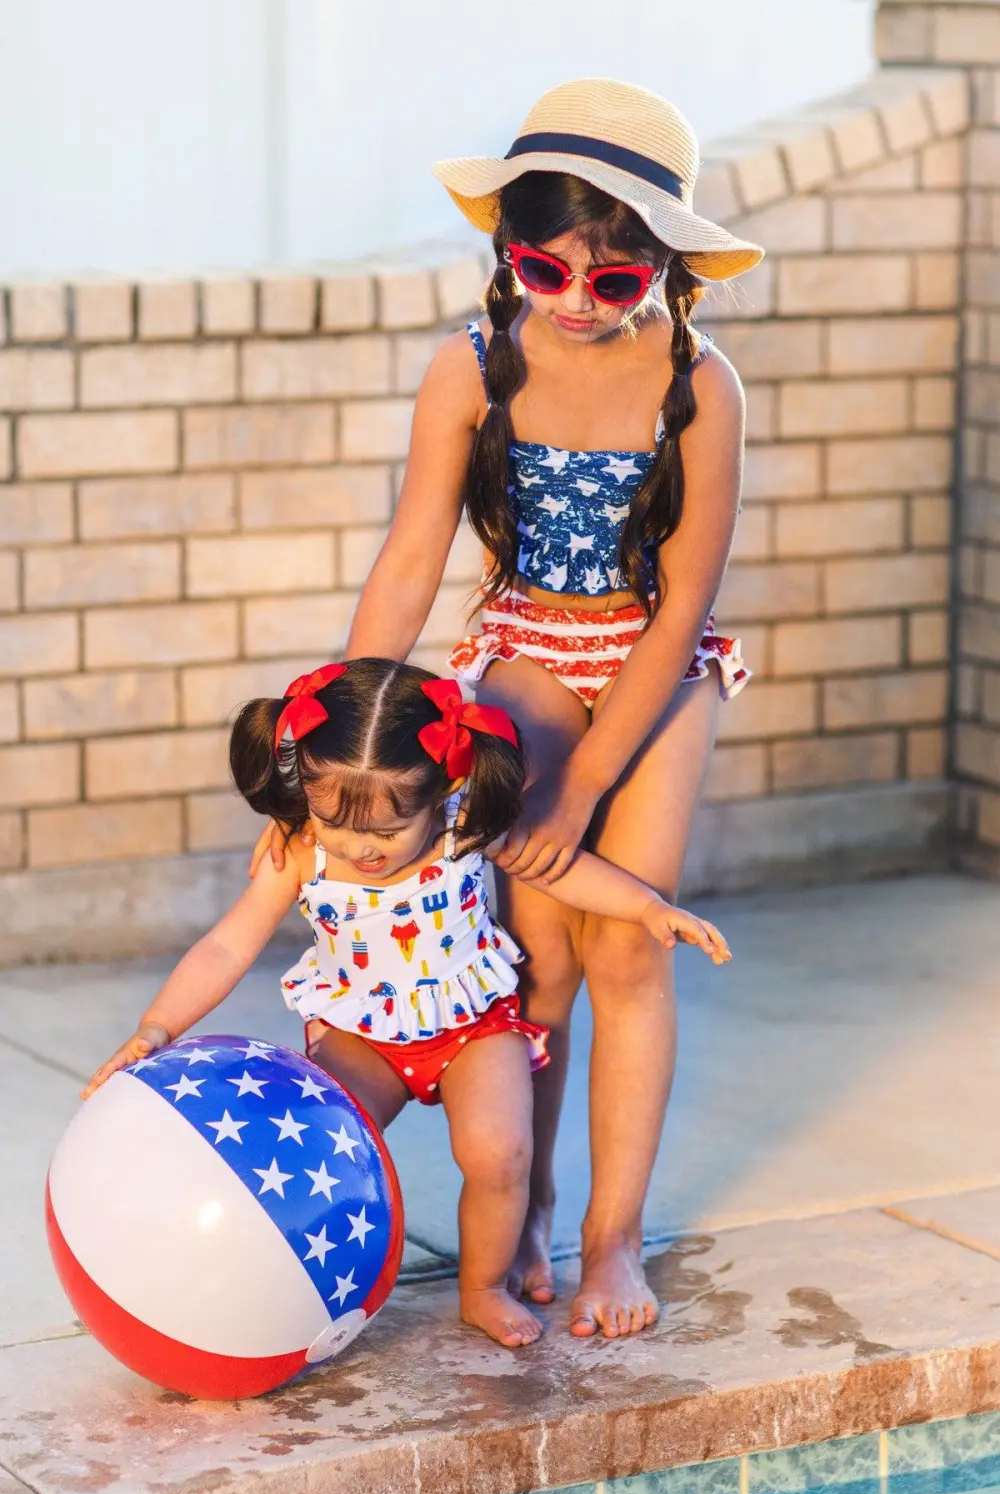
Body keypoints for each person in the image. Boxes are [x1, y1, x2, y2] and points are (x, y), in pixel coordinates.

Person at [254, 77, 760, 1340]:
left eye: (615, 280)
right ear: (505, 254)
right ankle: (525, 1212)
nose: (580, 304)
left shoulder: (703, 388)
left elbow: (684, 598)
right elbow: (413, 554)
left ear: (665, 272)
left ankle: (611, 1241)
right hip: (531, 645)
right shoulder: (472, 365)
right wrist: (334, 740)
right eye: (547, 269)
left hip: (658, 662)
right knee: (533, 968)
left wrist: (586, 787)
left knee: (625, 944)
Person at [85, 660, 731, 1349]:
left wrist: (647, 906)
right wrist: (157, 1026)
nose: (362, 847)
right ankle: (299, 1281)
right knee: (319, 1153)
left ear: (441, 792)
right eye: (338, 822)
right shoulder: (303, 850)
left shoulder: (467, 828)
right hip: (361, 1032)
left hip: (473, 1026)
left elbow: (562, 868)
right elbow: (226, 946)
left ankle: (481, 1287)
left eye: (388, 832)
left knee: (501, 1154)